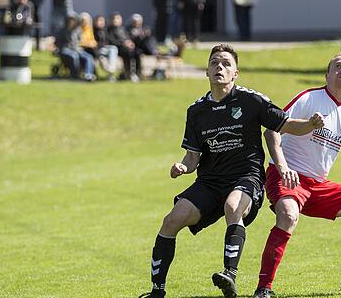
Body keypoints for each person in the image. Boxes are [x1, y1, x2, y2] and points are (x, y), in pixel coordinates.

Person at [139, 44, 324, 298]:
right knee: (171, 220)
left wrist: (310, 124)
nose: (220, 67)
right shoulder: (196, 111)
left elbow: (287, 124)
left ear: (235, 73)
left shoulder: (251, 100)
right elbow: (193, 157)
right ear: (207, 71)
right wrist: (183, 167)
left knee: (233, 205)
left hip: (245, 175)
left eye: (226, 63)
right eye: (215, 63)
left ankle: (229, 274)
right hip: (210, 181)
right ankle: (156, 291)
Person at [254, 52, 341, 298]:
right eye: (337, 66)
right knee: (288, 214)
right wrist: (283, 167)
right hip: (287, 175)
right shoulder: (309, 98)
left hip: (317, 185)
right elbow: (272, 131)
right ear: (327, 75)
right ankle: (264, 288)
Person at [55, 14, 95, 81]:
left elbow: (79, 41)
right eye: (70, 21)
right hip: (65, 49)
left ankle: (88, 75)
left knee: (88, 57)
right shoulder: (62, 31)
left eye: (73, 21)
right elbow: (58, 42)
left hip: (76, 49)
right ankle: (75, 75)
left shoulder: (78, 30)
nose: (72, 22)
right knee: (74, 55)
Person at [107, 13, 140, 82]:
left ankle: (136, 73)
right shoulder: (109, 29)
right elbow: (111, 41)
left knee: (137, 52)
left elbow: (128, 38)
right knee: (128, 52)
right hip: (117, 49)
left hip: (126, 48)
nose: (116, 20)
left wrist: (130, 43)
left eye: (118, 19)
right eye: (114, 19)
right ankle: (129, 73)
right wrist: (123, 44)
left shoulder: (123, 28)